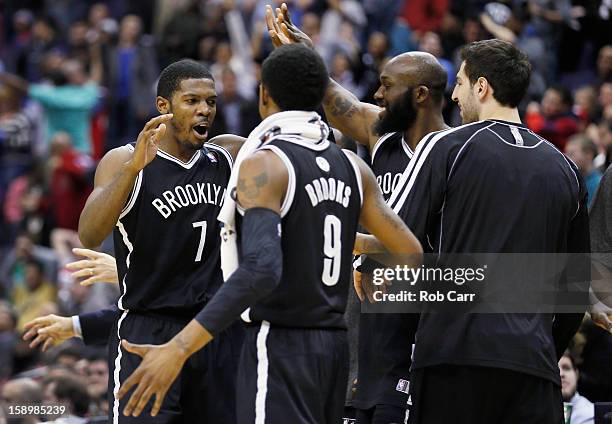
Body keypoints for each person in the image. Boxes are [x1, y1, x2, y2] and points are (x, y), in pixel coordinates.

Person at [113, 44, 422, 424]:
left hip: (280, 345)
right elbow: (409, 251)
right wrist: (356, 253)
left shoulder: (266, 163)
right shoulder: (352, 166)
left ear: (263, 95)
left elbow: (261, 270)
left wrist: (179, 347)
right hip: (335, 348)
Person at [386, 39, 589, 423]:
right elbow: (577, 289)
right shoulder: (566, 170)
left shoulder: (445, 146)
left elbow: (395, 236)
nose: (456, 96)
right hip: (533, 369)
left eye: (460, 83)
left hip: (454, 360)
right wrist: (545, 348)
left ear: (482, 87)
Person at [266, 5, 448, 423]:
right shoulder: (381, 134)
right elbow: (338, 101)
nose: (378, 95)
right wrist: (308, 58)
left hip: (414, 327)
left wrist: (357, 242)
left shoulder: (456, 154)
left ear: (420, 95)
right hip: (361, 327)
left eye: (387, 86)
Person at [69, 58, 241, 423]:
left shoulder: (225, 157)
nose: (204, 110)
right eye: (192, 101)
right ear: (163, 106)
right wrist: (132, 171)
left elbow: (292, 142)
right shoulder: (125, 160)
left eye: (210, 102)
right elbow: (89, 233)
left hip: (211, 328)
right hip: (149, 327)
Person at [564, 135, 602, 207]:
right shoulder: (573, 181)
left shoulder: (598, 184)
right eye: (566, 154)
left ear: (588, 154)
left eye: (572, 154)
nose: (567, 159)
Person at [559, 354, 595, 424]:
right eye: (555, 369)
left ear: (577, 374)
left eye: (566, 368)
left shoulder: (591, 414)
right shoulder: (536, 412)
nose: (561, 374)